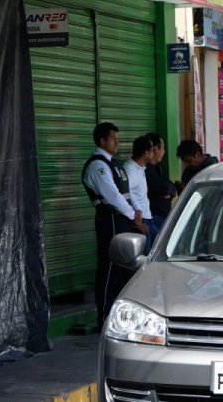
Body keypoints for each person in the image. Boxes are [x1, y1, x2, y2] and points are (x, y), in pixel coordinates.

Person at [82, 122, 147, 329]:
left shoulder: (115, 165)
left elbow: (126, 193)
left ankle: (122, 319)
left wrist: (137, 211)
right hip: (110, 220)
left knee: (123, 270)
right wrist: (134, 217)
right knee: (109, 269)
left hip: (124, 220)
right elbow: (113, 197)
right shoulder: (98, 166)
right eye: (113, 139)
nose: (117, 142)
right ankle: (104, 318)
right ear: (102, 141)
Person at [142, 133, 175, 248]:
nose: (164, 151)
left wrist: (169, 192)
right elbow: (164, 188)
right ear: (155, 149)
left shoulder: (157, 168)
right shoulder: (145, 170)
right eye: (163, 148)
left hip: (163, 217)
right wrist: (167, 191)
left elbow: (171, 187)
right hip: (154, 218)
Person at [122, 136, 154, 252]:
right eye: (152, 151)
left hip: (147, 218)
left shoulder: (139, 168)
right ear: (146, 153)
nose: (153, 154)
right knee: (144, 258)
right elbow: (125, 195)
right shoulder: (130, 170)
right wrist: (138, 221)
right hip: (140, 221)